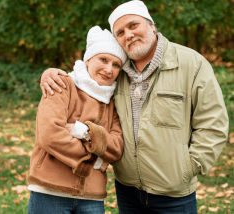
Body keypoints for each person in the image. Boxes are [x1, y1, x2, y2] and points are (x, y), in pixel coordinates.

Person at [38, 0, 229, 213]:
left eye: (133, 25)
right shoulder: (116, 72)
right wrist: (51, 73)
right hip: (127, 190)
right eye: (120, 33)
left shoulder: (191, 63)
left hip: (174, 193)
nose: (128, 34)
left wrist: (189, 168)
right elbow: (85, 79)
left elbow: (213, 122)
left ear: (151, 25)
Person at [27, 26, 126, 214]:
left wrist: (83, 132)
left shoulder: (113, 101)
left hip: (92, 196)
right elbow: (49, 136)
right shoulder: (61, 83)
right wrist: (95, 161)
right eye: (103, 59)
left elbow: (116, 148)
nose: (108, 69)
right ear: (88, 59)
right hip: (50, 190)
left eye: (116, 65)